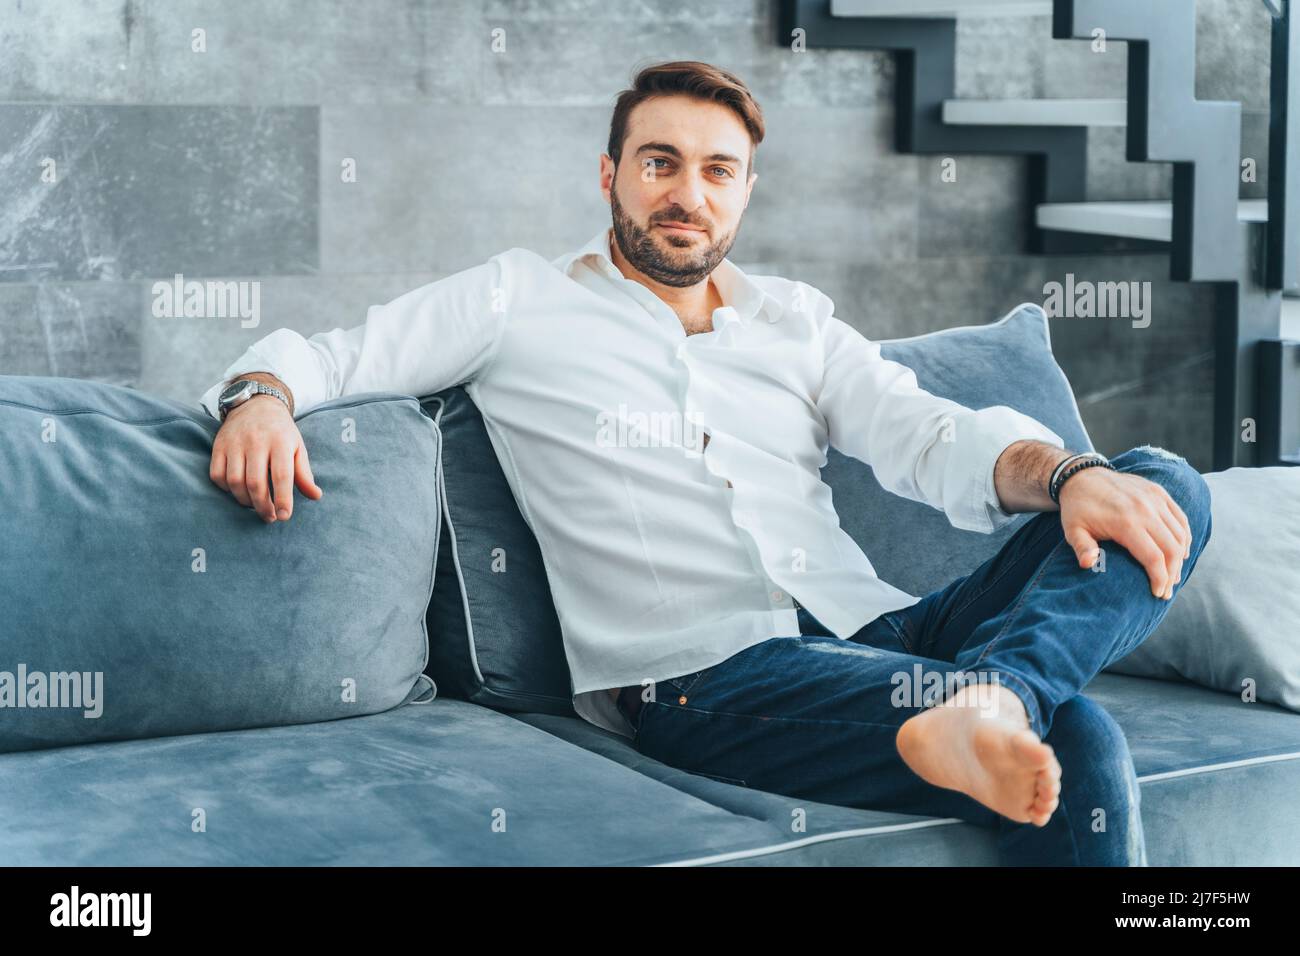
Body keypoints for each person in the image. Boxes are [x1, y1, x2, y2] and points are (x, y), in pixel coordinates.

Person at [199, 61, 1211, 866]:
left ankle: (995, 694)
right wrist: (262, 397)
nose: (687, 193)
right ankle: (990, 703)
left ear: (745, 190)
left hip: (880, 631)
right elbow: (338, 351)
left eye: (716, 169)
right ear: (609, 174)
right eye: (659, 162)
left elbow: (928, 436)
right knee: (1081, 744)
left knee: (1163, 478)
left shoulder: (796, 321)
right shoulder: (517, 298)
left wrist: (1073, 473)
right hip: (700, 676)